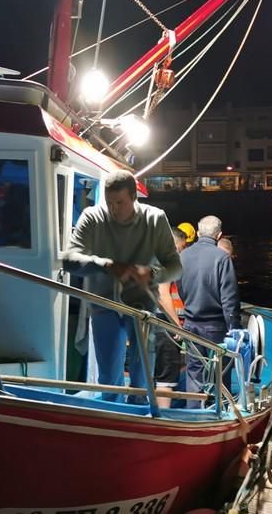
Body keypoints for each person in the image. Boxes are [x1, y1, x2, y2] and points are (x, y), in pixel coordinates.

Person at [63, 169, 181, 403]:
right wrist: (105, 264)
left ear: (134, 197)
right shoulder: (91, 216)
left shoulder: (155, 218)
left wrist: (152, 273)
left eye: (120, 202)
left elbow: (175, 266)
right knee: (108, 377)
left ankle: (139, 418)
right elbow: (68, 260)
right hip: (103, 304)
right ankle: (112, 421)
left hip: (142, 308)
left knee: (141, 376)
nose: (113, 209)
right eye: (109, 202)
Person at [178, 215, 240, 408]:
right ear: (219, 235)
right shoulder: (222, 258)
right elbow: (229, 299)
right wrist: (234, 329)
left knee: (194, 373)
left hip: (190, 324)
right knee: (220, 373)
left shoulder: (183, 256)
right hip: (216, 327)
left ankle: (194, 414)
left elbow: (180, 288)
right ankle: (219, 412)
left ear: (197, 232)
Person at [154, 227, 187, 408]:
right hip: (163, 324)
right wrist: (176, 326)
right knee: (166, 377)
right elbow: (163, 294)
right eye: (180, 249)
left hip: (150, 321)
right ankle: (163, 416)